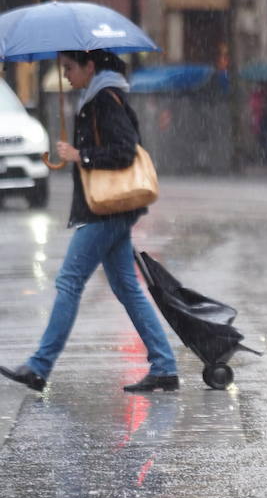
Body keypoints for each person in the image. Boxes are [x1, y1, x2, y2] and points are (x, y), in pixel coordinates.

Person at [0, 50, 180, 394]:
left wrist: (80, 155)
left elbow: (125, 150)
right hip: (109, 210)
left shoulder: (104, 100)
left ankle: (39, 366)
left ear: (90, 67)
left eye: (69, 68)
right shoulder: (97, 97)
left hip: (106, 211)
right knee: (127, 288)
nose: (65, 75)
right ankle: (165, 365)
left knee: (69, 281)